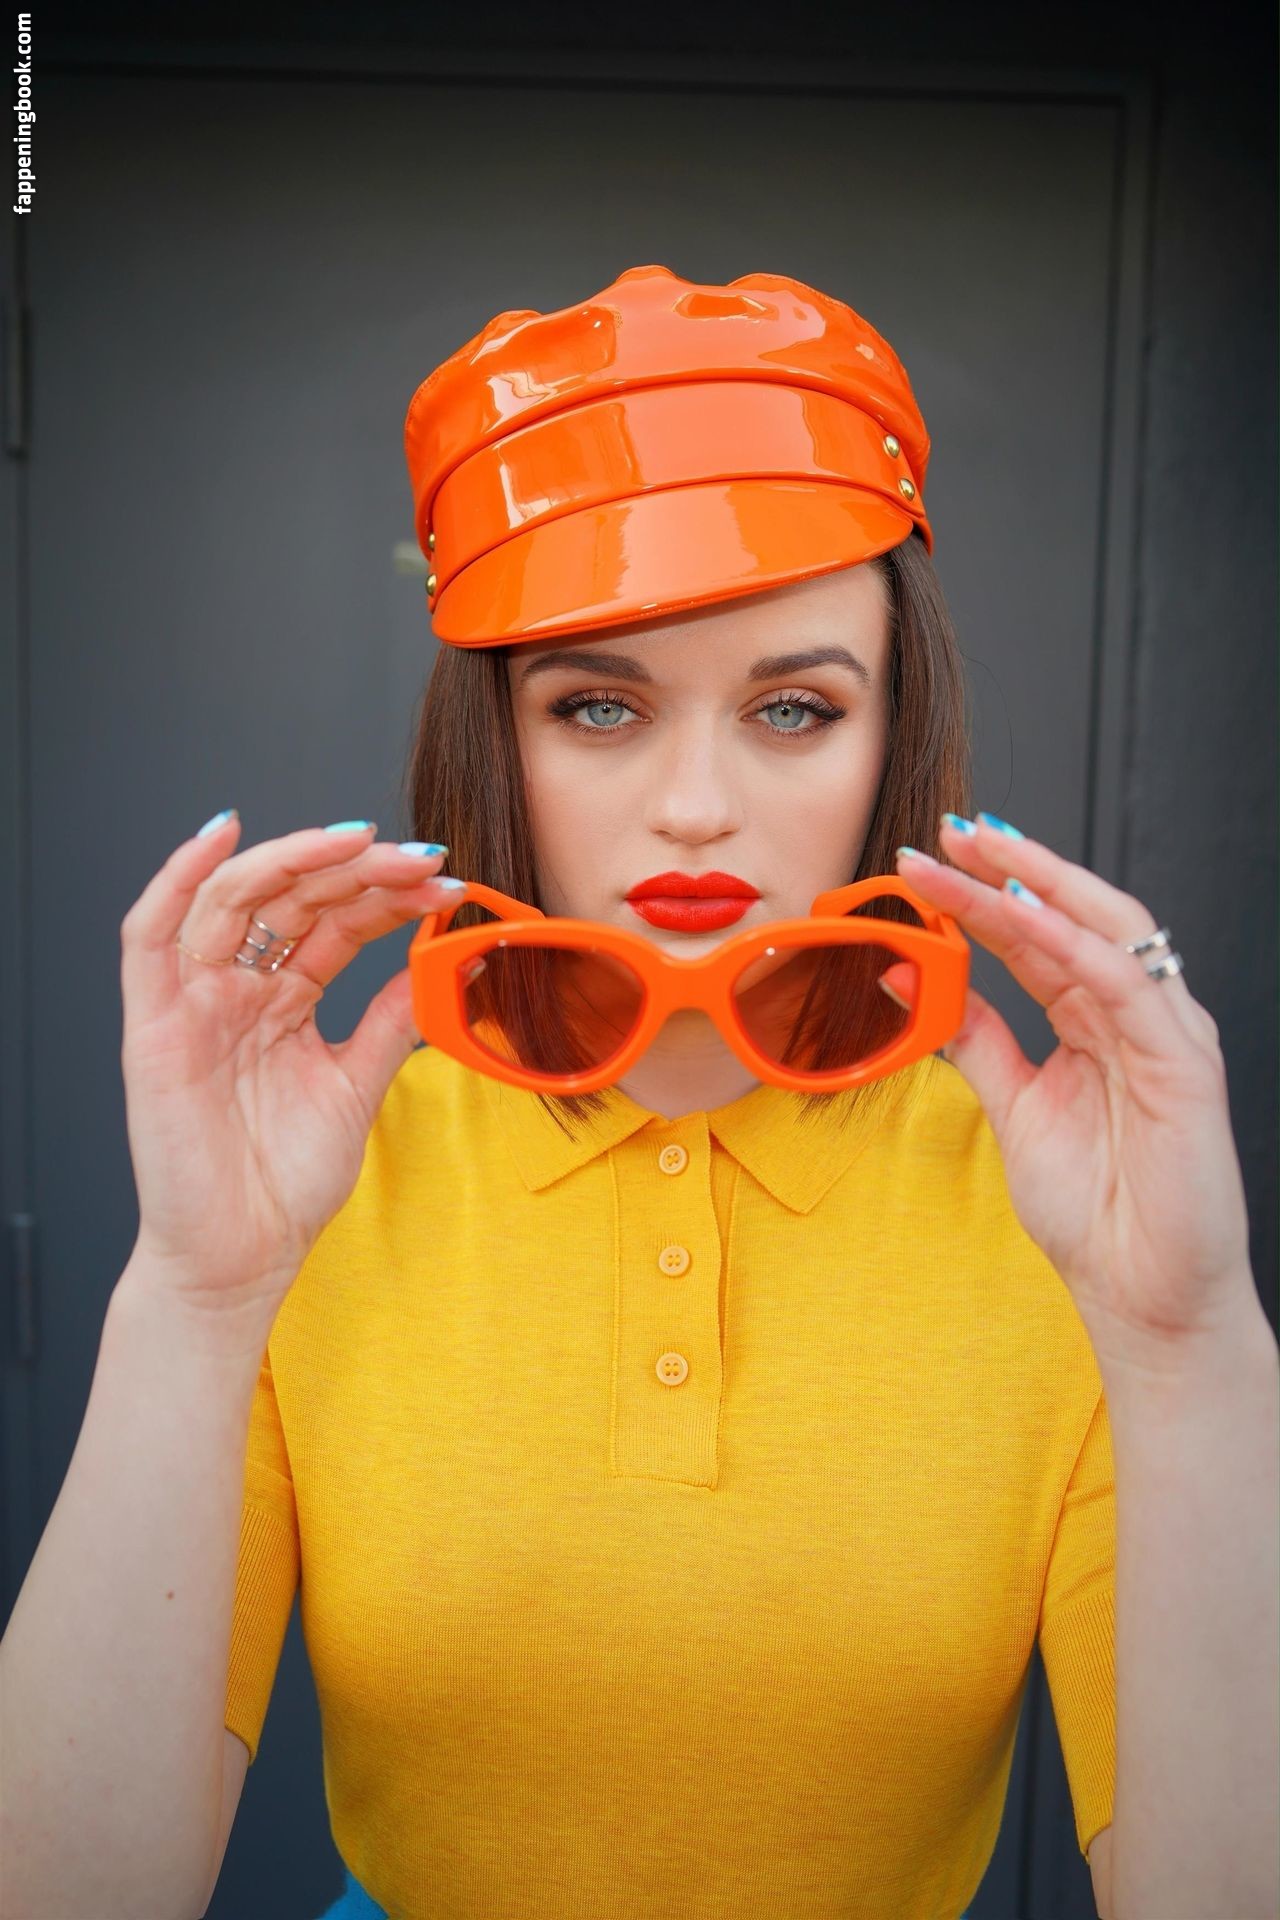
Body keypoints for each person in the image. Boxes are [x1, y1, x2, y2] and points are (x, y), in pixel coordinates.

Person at [10, 264, 1226, 1920]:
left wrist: (1188, 1346)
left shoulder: (1064, 1204)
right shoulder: (321, 1175)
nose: (695, 804)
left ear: (894, 736)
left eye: (793, 708)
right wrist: (193, 1293)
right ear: (495, 743)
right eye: (599, 705)